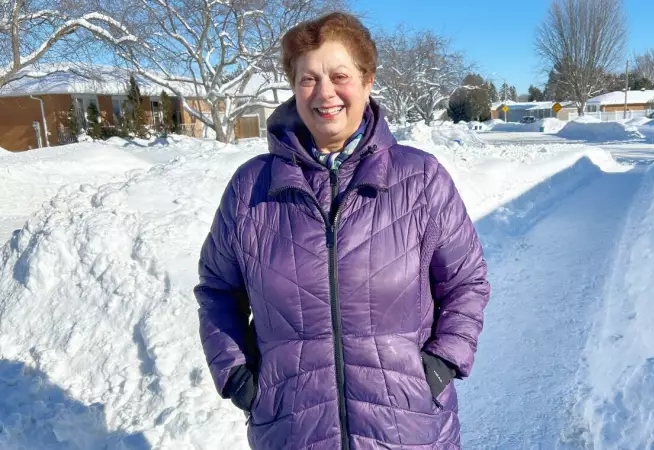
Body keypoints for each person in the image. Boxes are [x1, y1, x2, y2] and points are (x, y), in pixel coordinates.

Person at [194, 11, 490, 450]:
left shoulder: (421, 180)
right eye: (308, 79)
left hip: (408, 427)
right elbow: (217, 291)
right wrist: (239, 377)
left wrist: (441, 365)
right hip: (292, 430)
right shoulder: (250, 190)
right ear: (294, 89)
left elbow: (466, 282)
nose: (325, 93)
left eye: (339, 75)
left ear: (367, 81)